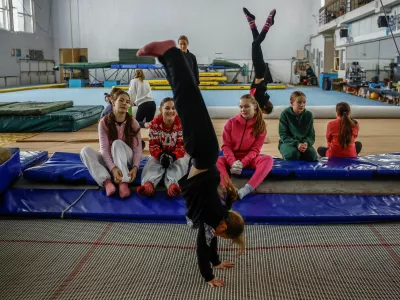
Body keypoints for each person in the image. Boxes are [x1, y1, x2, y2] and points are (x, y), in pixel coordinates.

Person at [137, 39, 244, 287]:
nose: (219, 237)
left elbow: (213, 242)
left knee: (189, 102)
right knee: (188, 101)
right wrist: (210, 276)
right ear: (223, 225)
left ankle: (168, 55)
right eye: (224, 235)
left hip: (204, 155)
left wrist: (217, 262)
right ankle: (170, 52)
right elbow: (202, 251)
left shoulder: (218, 218)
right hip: (205, 154)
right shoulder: (212, 220)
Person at [80, 89, 142, 198]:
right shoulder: (104, 122)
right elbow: (103, 149)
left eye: (127, 101)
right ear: (113, 102)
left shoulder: (133, 122)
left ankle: (123, 181)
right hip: (110, 160)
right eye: (121, 100)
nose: (124, 103)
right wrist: (113, 168)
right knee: (85, 151)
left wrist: (135, 167)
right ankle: (107, 182)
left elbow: (137, 149)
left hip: (126, 159)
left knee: (117, 143)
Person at [217, 94, 273, 199]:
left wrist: (242, 163)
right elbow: (226, 146)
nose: (243, 109)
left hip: (249, 159)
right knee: (217, 161)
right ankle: (229, 189)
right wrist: (232, 162)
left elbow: (255, 150)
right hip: (232, 158)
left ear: (255, 106)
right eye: (241, 106)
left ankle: (247, 189)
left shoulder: (260, 125)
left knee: (268, 159)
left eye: (247, 106)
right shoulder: (231, 122)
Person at [137, 97, 189, 198]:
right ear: (161, 110)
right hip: (160, 154)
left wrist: (172, 157)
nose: (171, 111)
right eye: (167, 108)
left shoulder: (182, 124)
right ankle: (149, 184)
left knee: (181, 163)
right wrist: (160, 156)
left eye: (173, 108)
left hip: (177, 154)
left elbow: (181, 146)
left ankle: (173, 184)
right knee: (152, 162)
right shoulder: (154, 124)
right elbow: (153, 145)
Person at [243, 7, 275, 114]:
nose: (262, 113)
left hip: (260, 70)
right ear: (265, 107)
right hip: (260, 70)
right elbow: (257, 103)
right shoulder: (261, 100)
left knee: (256, 42)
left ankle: (251, 21)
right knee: (255, 44)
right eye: (263, 112)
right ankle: (268, 24)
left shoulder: (261, 99)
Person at [278, 91, 318, 161]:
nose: (302, 105)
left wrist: (306, 143)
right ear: (292, 103)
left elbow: (311, 135)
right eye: (299, 102)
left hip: (303, 143)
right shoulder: (285, 114)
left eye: (304, 102)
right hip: (288, 143)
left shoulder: (309, 115)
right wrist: (297, 144)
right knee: (293, 154)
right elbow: (283, 135)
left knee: (312, 156)